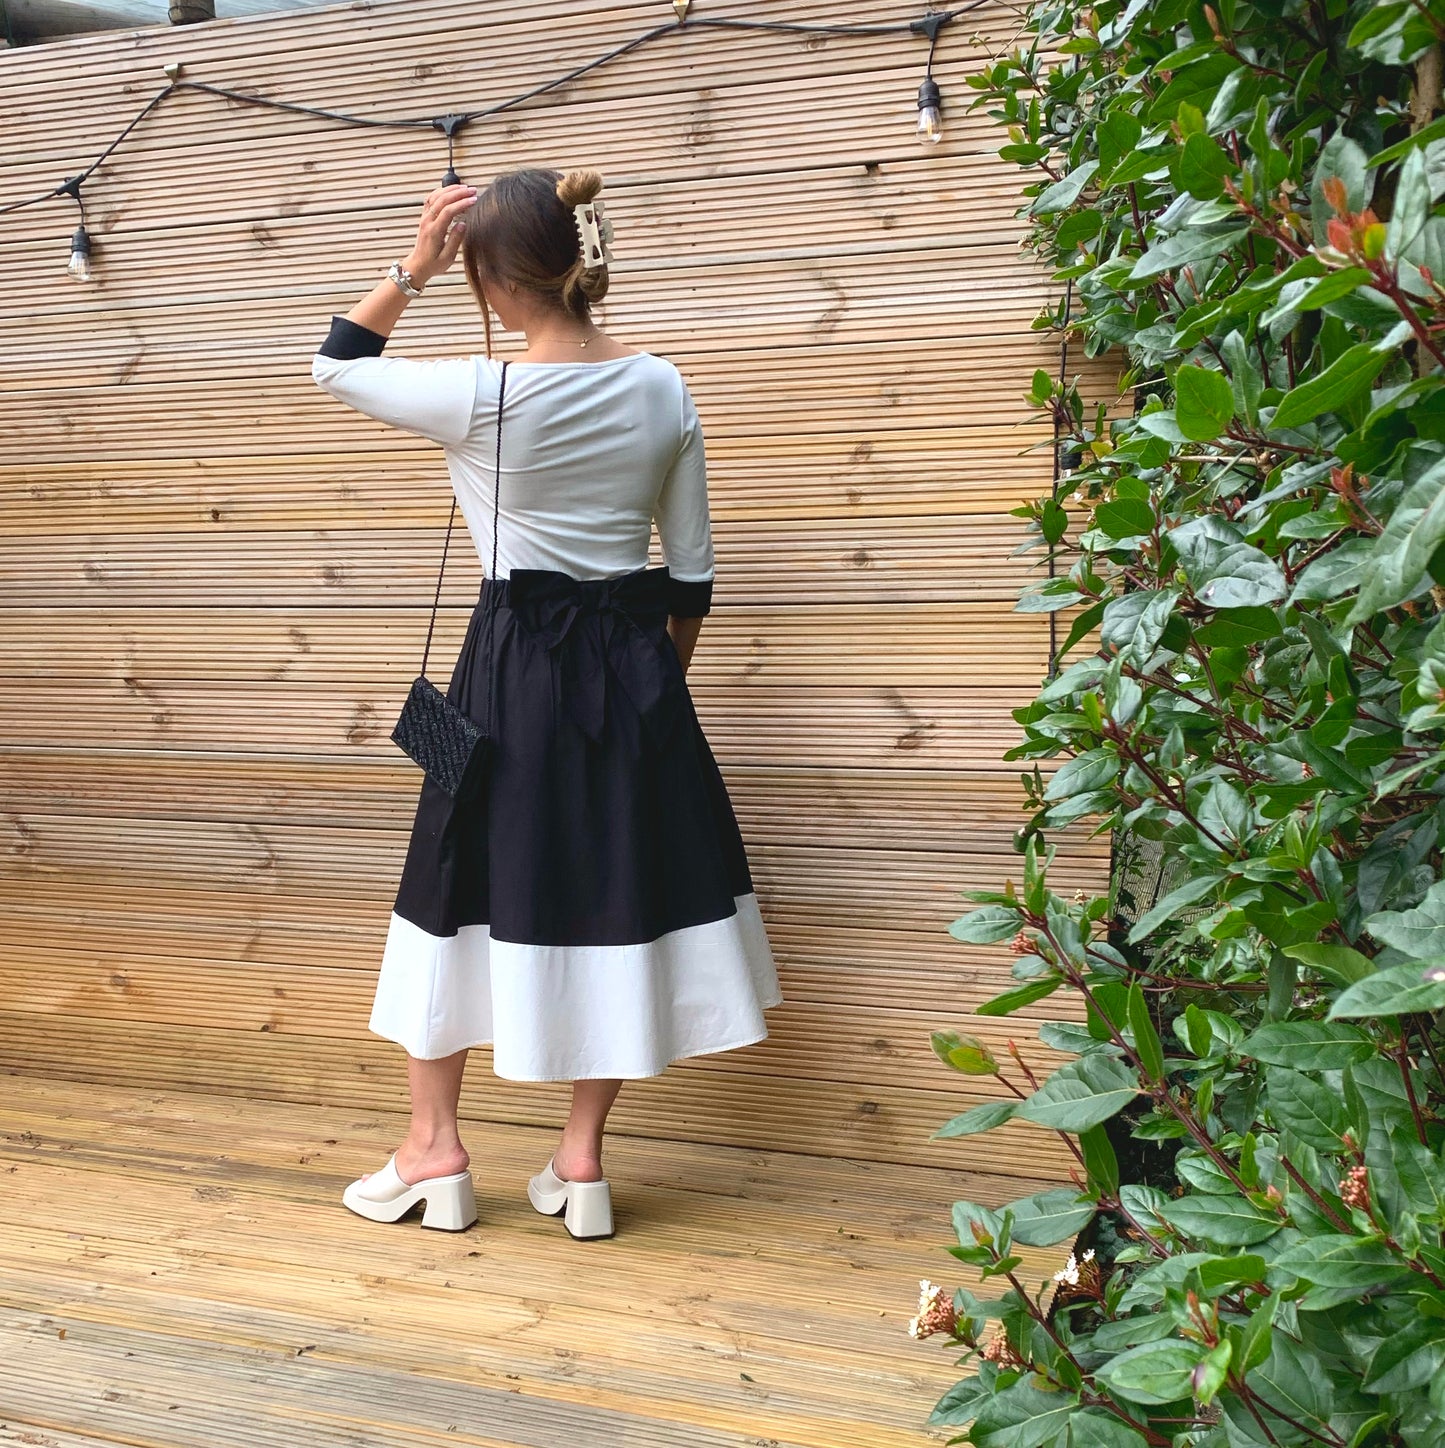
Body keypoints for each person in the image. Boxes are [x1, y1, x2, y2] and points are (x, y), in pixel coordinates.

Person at [310, 166, 782, 1239]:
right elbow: (692, 579)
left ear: (491, 278)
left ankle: (434, 1150)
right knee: (618, 890)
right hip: (635, 671)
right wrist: (649, 692)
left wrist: (412, 269)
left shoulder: (481, 395)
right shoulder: (662, 386)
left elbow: (335, 364)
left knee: (448, 885)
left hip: (506, 670)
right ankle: (580, 1160)